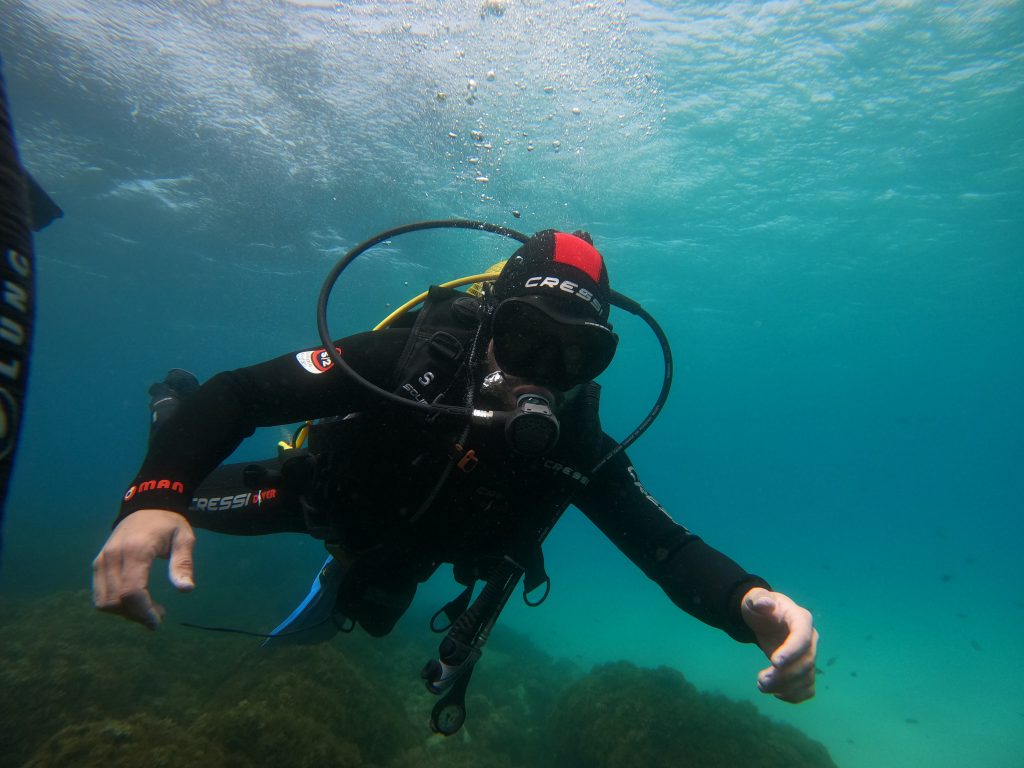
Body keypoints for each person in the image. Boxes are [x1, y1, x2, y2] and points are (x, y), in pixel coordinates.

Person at [92, 228, 818, 724]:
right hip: (314, 498)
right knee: (182, 494)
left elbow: (665, 546)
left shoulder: (578, 446)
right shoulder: (406, 361)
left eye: (579, 355)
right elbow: (243, 394)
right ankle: (168, 407)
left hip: (404, 550)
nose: (544, 374)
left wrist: (747, 601)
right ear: (490, 321)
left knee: (376, 603)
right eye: (525, 338)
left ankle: (345, 581)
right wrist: (153, 497)